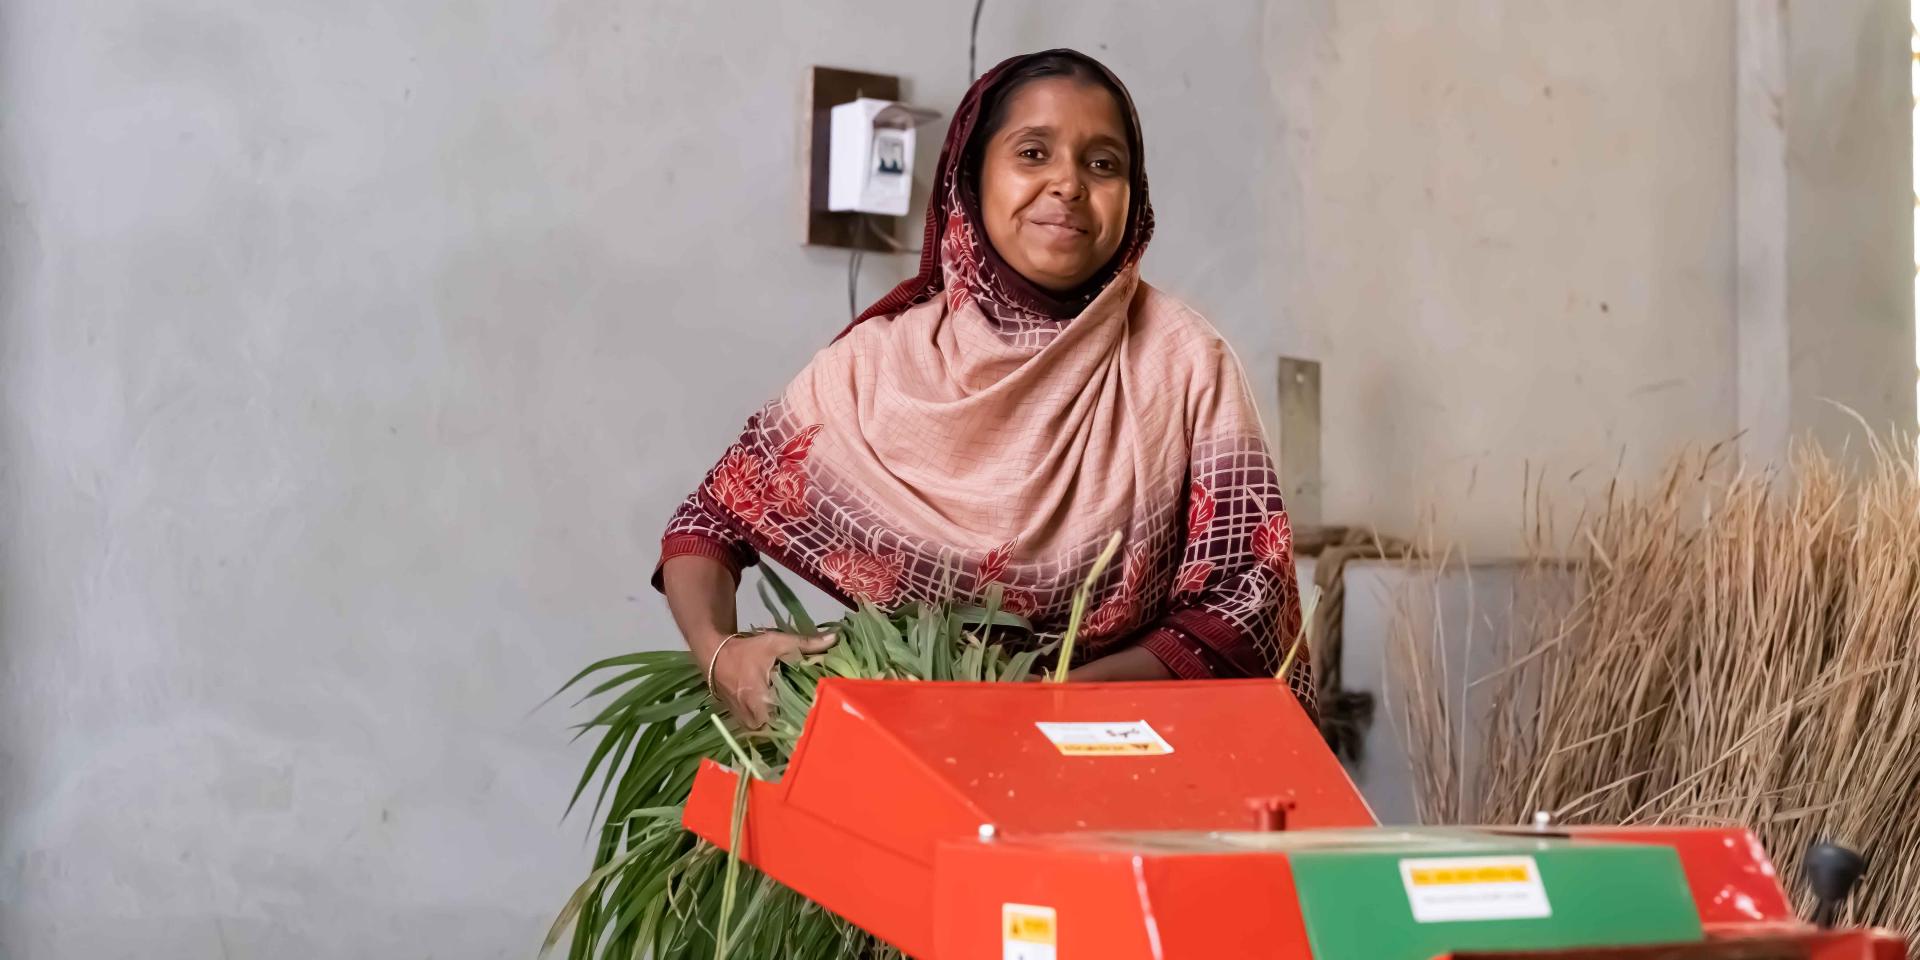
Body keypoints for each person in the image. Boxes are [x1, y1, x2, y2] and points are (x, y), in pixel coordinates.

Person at [655, 49, 1308, 728]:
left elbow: (1245, 598)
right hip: (916, 762)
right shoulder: (878, 365)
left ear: (1133, 195)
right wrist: (720, 652)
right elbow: (709, 521)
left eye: (1103, 163)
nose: (1069, 185)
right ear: (972, 176)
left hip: (1121, 763)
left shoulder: (1184, 365)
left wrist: (1038, 712)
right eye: (1032, 153)